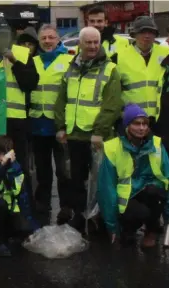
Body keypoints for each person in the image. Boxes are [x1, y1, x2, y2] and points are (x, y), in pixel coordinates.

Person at [54, 27, 124, 231]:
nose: (93, 46)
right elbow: (61, 99)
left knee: (100, 181)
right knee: (77, 180)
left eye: (96, 42)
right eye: (89, 42)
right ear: (80, 44)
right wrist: (60, 126)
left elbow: (112, 105)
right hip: (74, 134)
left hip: (97, 137)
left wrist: (99, 132)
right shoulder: (72, 67)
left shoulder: (110, 69)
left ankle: (99, 219)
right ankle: (80, 215)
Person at [0, 19, 38, 219]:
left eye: (7, 35)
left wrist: (14, 61)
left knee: (18, 170)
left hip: (15, 122)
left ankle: (23, 217)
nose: (3, 39)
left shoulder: (22, 54)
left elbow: (30, 83)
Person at [98, 103, 169, 248]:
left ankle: (152, 230)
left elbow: (167, 177)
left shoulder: (156, 144)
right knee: (139, 213)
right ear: (127, 126)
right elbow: (107, 189)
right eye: (137, 123)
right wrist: (112, 227)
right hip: (125, 198)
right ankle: (126, 230)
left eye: (145, 124)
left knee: (157, 193)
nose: (142, 128)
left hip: (149, 192)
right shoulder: (113, 148)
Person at [30, 25, 74, 224]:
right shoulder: (33, 61)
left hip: (60, 124)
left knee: (63, 170)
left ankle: (66, 206)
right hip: (37, 123)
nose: (47, 41)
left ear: (58, 39)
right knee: (42, 169)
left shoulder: (69, 60)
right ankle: (43, 203)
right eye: (44, 38)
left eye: (51, 37)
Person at [112, 16, 168, 122]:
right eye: (142, 32)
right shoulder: (119, 57)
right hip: (132, 119)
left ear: (155, 34)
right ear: (134, 34)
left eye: (150, 32)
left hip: (161, 119)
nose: (147, 36)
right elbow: (113, 92)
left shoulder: (166, 53)